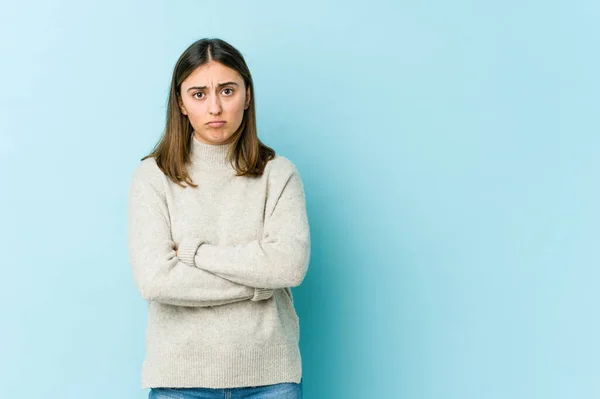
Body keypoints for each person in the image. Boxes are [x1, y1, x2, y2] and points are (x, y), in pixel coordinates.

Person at [127, 38, 309, 399]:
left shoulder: (279, 174)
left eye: (227, 90)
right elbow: (155, 280)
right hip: (180, 381)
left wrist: (196, 254)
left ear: (248, 95)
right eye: (198, 94)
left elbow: (288, 267)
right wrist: (259, 284)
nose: (215, 107)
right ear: (180, 102)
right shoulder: (153, 177)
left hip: (271, 379)